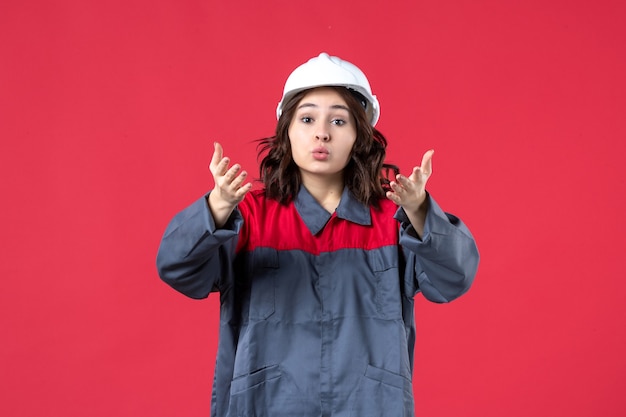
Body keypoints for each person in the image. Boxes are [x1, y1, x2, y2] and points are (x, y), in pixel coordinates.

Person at [156, 52, 479, 417]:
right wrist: (215, 208)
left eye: (339, 121)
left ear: (360, 135)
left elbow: (454, 278)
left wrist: (420, 211)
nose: (321, 132)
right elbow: (177, 269)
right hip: (265, 406)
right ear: (287, 131)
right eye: (307, 118)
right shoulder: (248, 215)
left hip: (372, 407)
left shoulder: (393, 218)